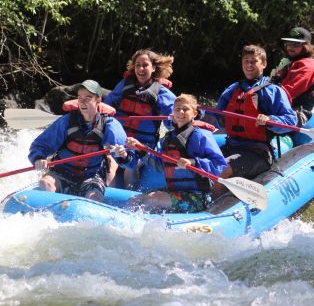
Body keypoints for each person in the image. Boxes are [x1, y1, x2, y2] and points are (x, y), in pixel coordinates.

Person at [115, 94, 227, 213]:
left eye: (185, 109)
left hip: (198, 196)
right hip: (175, 192)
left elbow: (220, 165)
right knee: (134, 200)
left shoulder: (201, 135)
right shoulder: (168, 138)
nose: (181, 112)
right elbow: (160, 165)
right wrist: (141, 149)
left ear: (194, 113)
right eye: (177, 109)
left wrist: (193, 162)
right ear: (173, 112)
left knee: (152, 199)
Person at [28, 80, 129, 201]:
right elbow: (40, 145)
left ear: (98, 100)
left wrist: (121, 154)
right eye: (80, 97)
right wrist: (39, 158)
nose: (82, 101)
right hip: (62, 172)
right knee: (45, 184)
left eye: (88, 97)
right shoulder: (67, 121)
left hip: (91, 176)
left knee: (94, 197)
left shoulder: (110, 125)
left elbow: (123, 155)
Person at [215, 44, 297, 182]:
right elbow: (216, 115)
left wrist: (270, 120)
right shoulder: (233, 89)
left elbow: (291, 121)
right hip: (231, 146)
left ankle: (211, 202)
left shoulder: (273, 91)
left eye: (253, 61)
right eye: (246, 61)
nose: (249, 65)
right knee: (203, 163)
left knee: (221, 169)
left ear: (264, 64)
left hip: (257, 152)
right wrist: (194, 116)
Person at [104, 49, 177, 188]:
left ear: (153, 68)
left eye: (145, 65)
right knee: (111, 162)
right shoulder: (124, 85)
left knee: (130, 166)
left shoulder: (161, 92)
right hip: (120, 139)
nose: (141, 69)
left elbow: (174, 119)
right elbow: (108, 104)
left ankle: (130, 201)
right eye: (138, 65)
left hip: (142, 144)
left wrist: (173, 120)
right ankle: (109, 198)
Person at [271, 27, 314, 125]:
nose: (290, 47)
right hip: (287, 108)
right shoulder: (293, 63)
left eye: (296, 44)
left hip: (297, 113)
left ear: (306, 46)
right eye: (288, 43)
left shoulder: (307, 66)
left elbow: (287, 93)